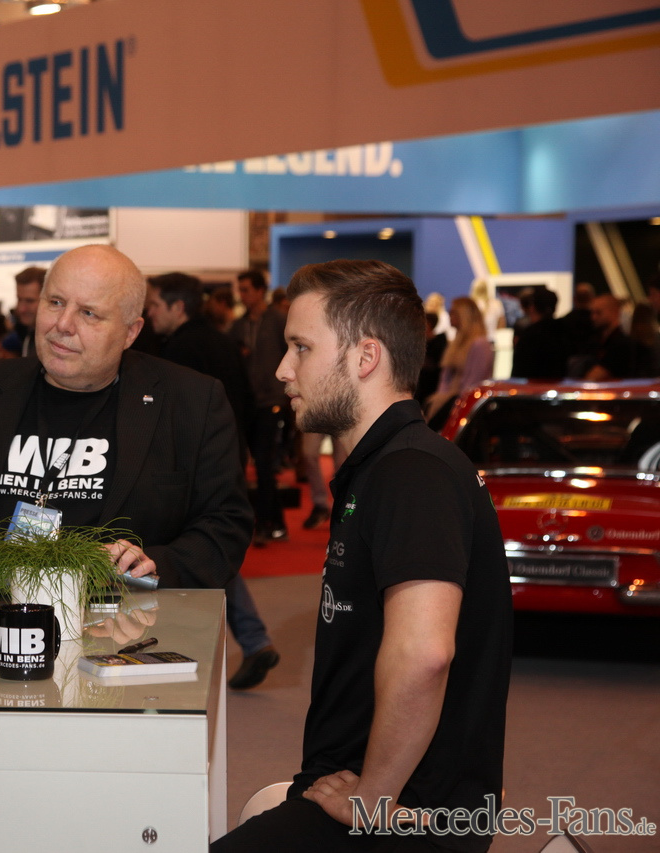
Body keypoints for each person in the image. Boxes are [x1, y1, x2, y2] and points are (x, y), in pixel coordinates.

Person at [213, 259, 511, 853]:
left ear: (365, 357)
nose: (282, 368)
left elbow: (425, 652)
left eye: (301, 348)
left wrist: (374, 795)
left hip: (399, 819)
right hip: (367, 797)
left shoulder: (411, 473)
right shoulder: (384, 468)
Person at [0, 244, 252, 594]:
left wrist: (155, 563)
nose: (63, 324)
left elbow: (225, 524)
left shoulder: (189, 402)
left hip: (121, 627)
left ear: (130, 332)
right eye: (55, 302)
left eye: (89, 313)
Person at [145, 272, 275, 690]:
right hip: (228, 456)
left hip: (191, 470)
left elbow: (175, 422)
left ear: (177, 306)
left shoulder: (178, 352)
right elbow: (247, 400)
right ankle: (254, 640)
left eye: (155, 305)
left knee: (201, 553)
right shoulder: (224, 340)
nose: (149, 314)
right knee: (213, 550)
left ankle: (245, 643)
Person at [231, 270, 289, 546]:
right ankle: (267, 523)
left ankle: (270, 523)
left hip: (272, 401)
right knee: (252, 465)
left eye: (245, 289)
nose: (241, 295)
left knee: (265, 464)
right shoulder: (238, 325)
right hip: (247, 403)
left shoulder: (278, 321)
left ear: (259, 290)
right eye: (240, 290)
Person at [424, 297, 493, 431]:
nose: (450, 316)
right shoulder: (456, 342)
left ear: (465, 315)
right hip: (449, 401)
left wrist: (449, 403)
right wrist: (440, 400)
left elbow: (473, 383)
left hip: (463, 405)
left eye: (454, 312)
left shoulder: (479, 344)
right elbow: (445, 377)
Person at [509, 286, 570, 380]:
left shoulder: (529, 335)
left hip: (532, 387)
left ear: (532, 307)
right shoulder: (563, 330)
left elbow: (518, 372)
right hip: (559, 385)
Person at [0, 266, 45, 357]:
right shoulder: (25, 333)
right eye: (19, 299)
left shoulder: (56, 344)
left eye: (30, 301)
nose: (21, 309)